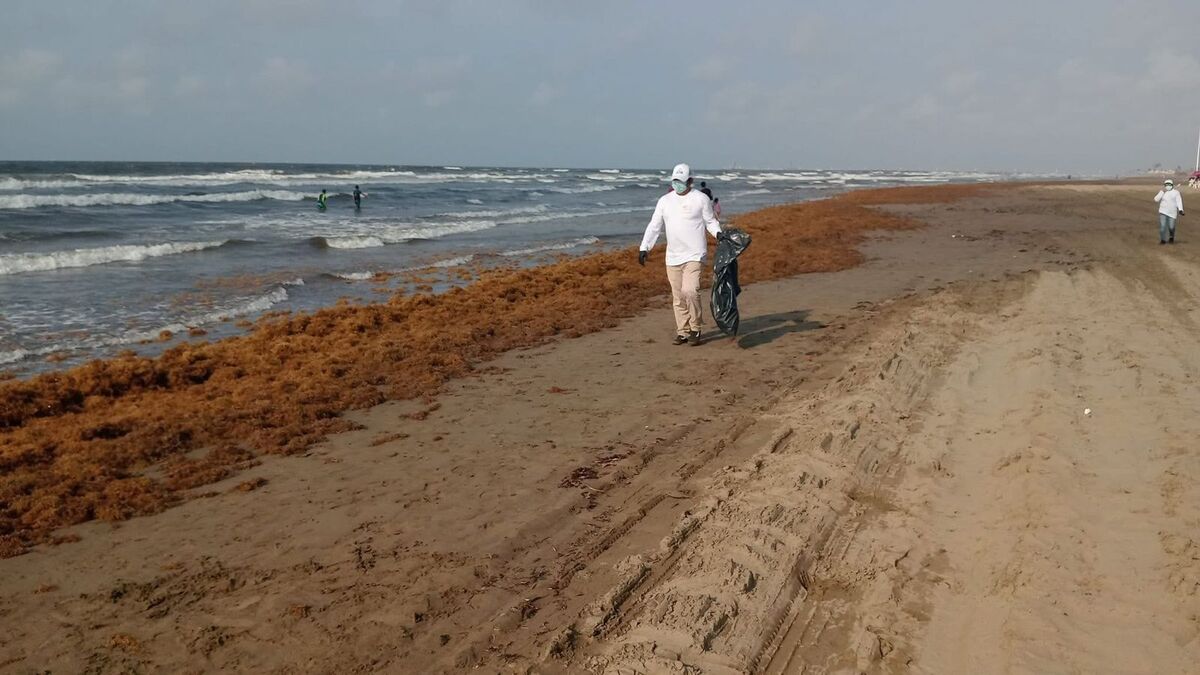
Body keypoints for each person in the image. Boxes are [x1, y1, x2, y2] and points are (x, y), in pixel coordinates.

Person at [638, 163, 724, 346]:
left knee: (690, 291)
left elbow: (710, 222)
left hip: (695, 254)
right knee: (678, 296)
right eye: (675, 181)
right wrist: (644, 247)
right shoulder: (664, 201)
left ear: (690, 181)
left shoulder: (701, 199)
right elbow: (654, 226)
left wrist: (719, 234)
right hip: (673, 256)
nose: (678, 184)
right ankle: (683, 331)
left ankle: (695, 328)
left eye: (682, 181)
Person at [1154, 179, 1185, 244]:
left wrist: (1180, 210)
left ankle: (1171, 237)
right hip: (1163, 211)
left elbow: (1179, 201)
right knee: (1163, 226)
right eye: (1166, 185)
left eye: (1169, 185)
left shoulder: (1176, 192)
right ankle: (1163, 240)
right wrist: (1162, 192)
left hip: (1172, 212)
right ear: (1164, 185)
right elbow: (1156, 199)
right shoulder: (1162, 192)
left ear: (1172, 185)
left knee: (1171, 227)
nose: (1168, 186)